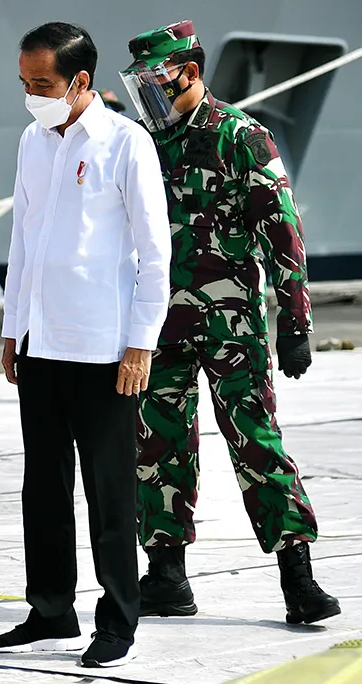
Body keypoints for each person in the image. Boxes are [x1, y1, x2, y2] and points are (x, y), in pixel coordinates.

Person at [121, 22, 339, 625]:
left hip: (231, 324)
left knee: (256, 443)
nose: (148, 96)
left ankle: (298, 577)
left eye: (155, 83)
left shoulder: (240, 136)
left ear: (188, 73)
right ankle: (165, 574)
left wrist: (294, 321)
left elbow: (282, 230)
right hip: (158, 323)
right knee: (156, 443)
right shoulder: (141, 142)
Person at [0, 22, 171, 668]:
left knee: (110, 492)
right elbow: (24, 241)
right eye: (24, 83)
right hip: (41, 344)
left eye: (42, 84)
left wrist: (141, 344)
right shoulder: (32, 142)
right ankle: (50, 611)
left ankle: (118, 620)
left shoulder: (126, 143)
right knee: (43, 487)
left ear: (80, 81)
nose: (31, 95)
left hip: (103, 350)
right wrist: (13, 328)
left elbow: (155, 254)